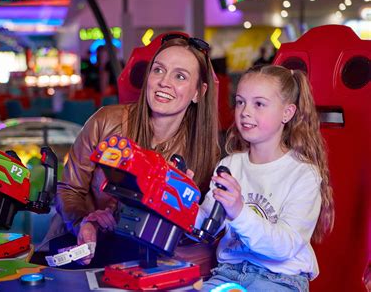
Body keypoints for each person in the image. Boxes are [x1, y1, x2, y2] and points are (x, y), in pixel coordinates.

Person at [45, 32, 220, 267]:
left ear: (198, 92)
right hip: (80, 245)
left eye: (180, 76)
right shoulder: (106, 121)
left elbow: (199, 228)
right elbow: (68, 189)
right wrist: (84, 223)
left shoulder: (205, 152)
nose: (164, 82)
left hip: (142, 256)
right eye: (158, 70)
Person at [198, 65, 335, 291]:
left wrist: (239, 211)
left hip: (280, 279)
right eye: (240, 102)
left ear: (287, 113)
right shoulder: (229, 165)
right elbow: (207, 224)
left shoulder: (304, 174)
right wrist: (178, 195)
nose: (245, 112)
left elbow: (284, 247)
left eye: (259, 104)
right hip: (228, 273)